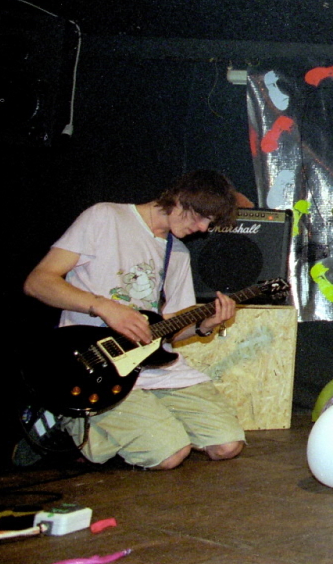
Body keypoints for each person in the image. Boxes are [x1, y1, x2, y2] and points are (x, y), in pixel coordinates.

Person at [23, 170, 246, 470]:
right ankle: (72, 423)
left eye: (210, 223)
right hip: (95, 367)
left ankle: (141, 424)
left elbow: (168, 328)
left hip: (151, 367)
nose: (203, 228)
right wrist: (103, 306)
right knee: (170, 455)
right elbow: (38, 282)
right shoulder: (105, 217)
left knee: (227, 445)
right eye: (201, 217)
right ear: (181, 199)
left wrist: (203, 326)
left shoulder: (177, 253)